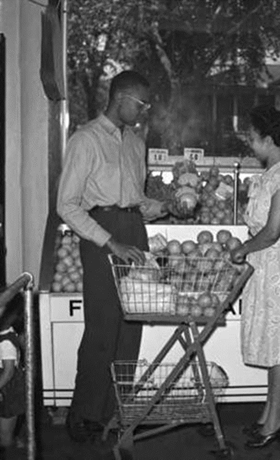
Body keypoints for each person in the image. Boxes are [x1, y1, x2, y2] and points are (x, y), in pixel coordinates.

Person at [57, 70, 170, 442]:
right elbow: (67, 206)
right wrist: (110, 242)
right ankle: (85, 414)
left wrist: (163, 207)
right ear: (119, 97)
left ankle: (116, 412)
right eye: (140, 103)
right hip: (101, 236)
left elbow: (134, 200)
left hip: (133, 230)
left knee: (130, 329)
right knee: (103, 329)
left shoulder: (136, 143)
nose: (144, 110)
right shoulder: (85, 140)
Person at [229, 105, 280, 449]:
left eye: (252, 136)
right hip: (268, 263)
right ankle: (267, 414)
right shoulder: (274, 172)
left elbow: (273, 230)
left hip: (278, 263)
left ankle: (275, 422)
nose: (249, 142)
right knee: (273, 342)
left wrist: (243, 249)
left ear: (269, 139)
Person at [0, 302, 25, 451]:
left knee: (4, 437)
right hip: (6, 383)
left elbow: (8, 372)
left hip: (7, 387)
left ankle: (11, 442)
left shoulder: (6, 342)